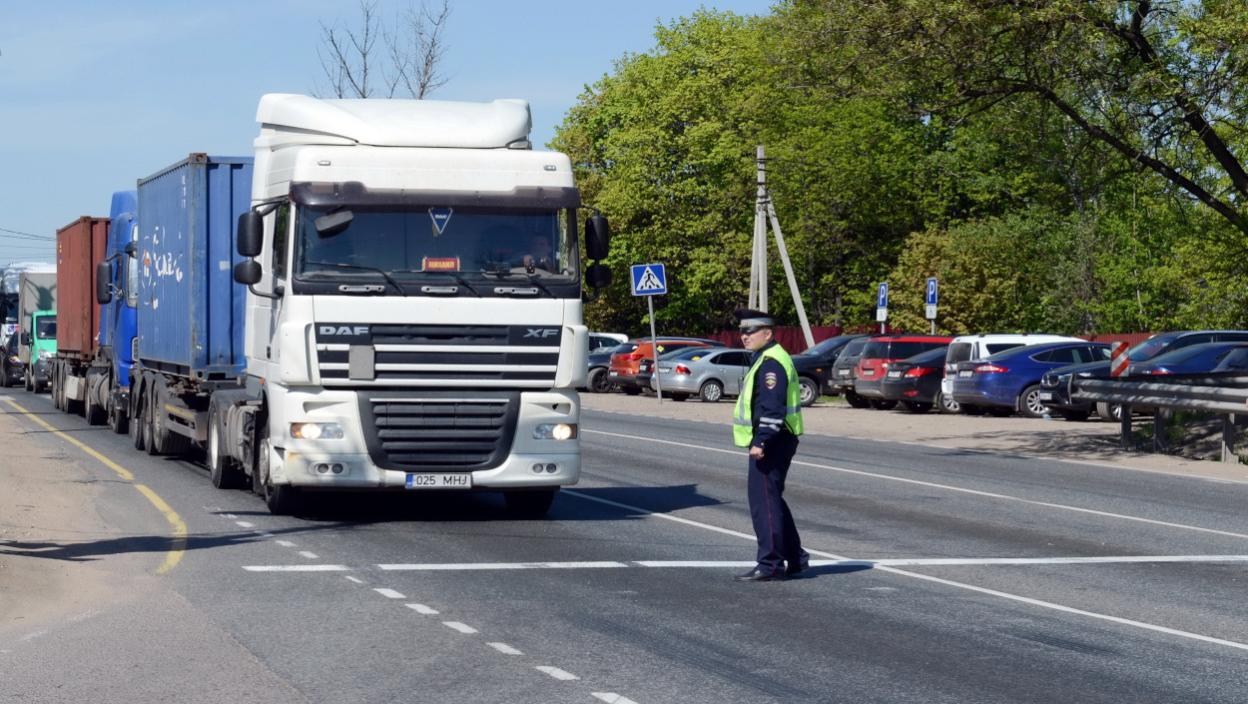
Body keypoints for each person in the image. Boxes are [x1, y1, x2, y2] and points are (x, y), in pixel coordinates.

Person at [731, 308, 808, 582]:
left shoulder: (772, 362)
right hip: (777, 438)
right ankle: (795, 557)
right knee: (771, 498)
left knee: (763, 502)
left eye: (750, 331)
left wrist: (762, 439)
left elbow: (773, 407)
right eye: (742, 331)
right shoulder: (765, 357)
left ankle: (771, 564)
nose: (744, 336)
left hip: (773, 440)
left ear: (768, 333)